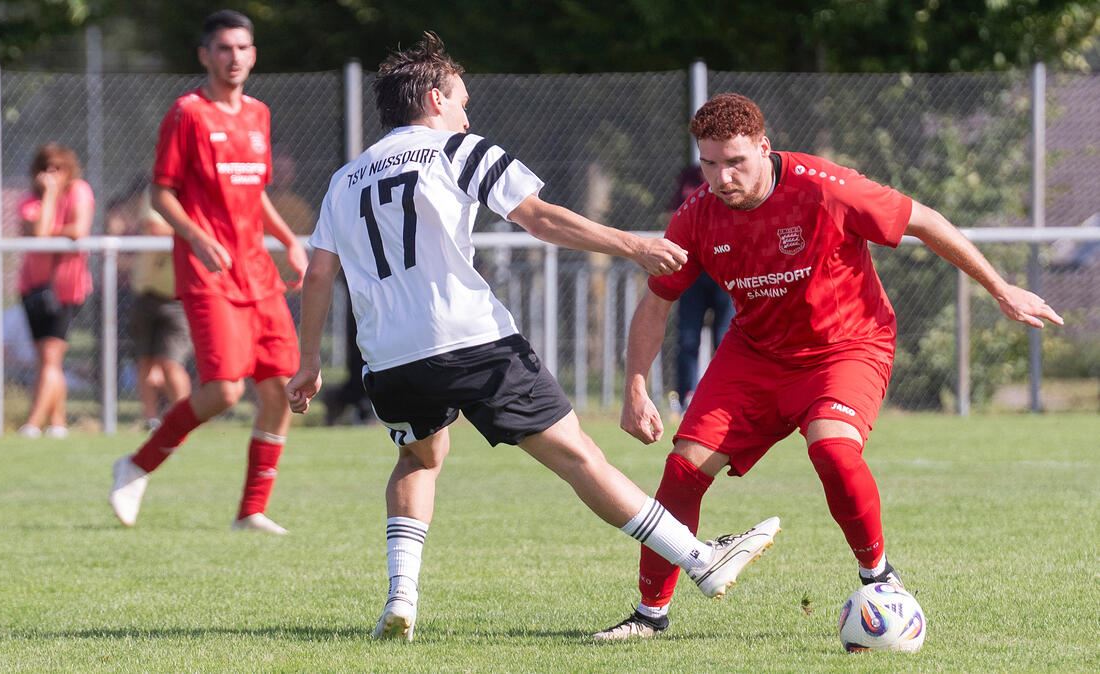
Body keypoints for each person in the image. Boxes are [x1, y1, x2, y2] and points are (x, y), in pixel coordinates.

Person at [285, 33, 780, 643]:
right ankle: (701, 560)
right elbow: (539, 217)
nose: (469, 113)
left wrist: (309, 362)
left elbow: (318, 275)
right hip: (470, 339)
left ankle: (401, 597)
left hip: (388, 356)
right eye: (462, 100)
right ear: (436, 99)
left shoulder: (345, 178)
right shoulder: (455, 150)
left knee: (418, 457)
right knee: (579, 458)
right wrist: (634, 244)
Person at [592, 93, 1064, 640]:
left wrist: (1002, 290)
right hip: (756, 356)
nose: (722, 177)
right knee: (683, 468)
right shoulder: (697, 216)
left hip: (848, 346)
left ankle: (879, 577)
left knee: (832, 447)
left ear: (764, 149)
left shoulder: (823, 187)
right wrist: (635, 387)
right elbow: (656, 303)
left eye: (735, 161)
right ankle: (649, 616)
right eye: (710, 163)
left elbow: (925, 221)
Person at [108, 9, 308, 534]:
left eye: (242, 48)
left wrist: (288, 239)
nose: (234, 57)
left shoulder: (259, 115)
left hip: (258, 271)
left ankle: (252, 510)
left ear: (253, 54)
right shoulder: (187, 113)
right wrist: (196, 238)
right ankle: (135, 466)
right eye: (223, 48)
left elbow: (255, 192)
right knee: (223, 390)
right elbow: (161, 192)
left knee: (281, 387)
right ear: (205, 55)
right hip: (208, 274)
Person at [16, 143, 94, 439]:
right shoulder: (29, 200)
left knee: (50, 356)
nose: (51, 174)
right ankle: (58, 423)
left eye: (57, 168)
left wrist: (51, 228)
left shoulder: (80, 191)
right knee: (47, 359)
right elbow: (38, 231)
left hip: (67, 290)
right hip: (33, 289)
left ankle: (33, 423)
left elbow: (79, 229)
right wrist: (48, 196)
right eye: (45, 168)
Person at [667, 165, 733, 415]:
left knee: (725, 339)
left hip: (725, 273)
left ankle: (723, 399)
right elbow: (672, 217)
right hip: (692, 273)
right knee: (687, 339)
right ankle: (687, 397)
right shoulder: (688, 176)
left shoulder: (732, 176)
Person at [127, 187, 193, 431]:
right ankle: (151, 419)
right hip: (147, 293)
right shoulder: (157, 190)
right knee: (144, 362)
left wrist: (188, 233)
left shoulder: (197, 192)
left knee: (171, 364)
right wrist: (192, 232)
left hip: (179, 299)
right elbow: (153, 227)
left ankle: (184, 420)